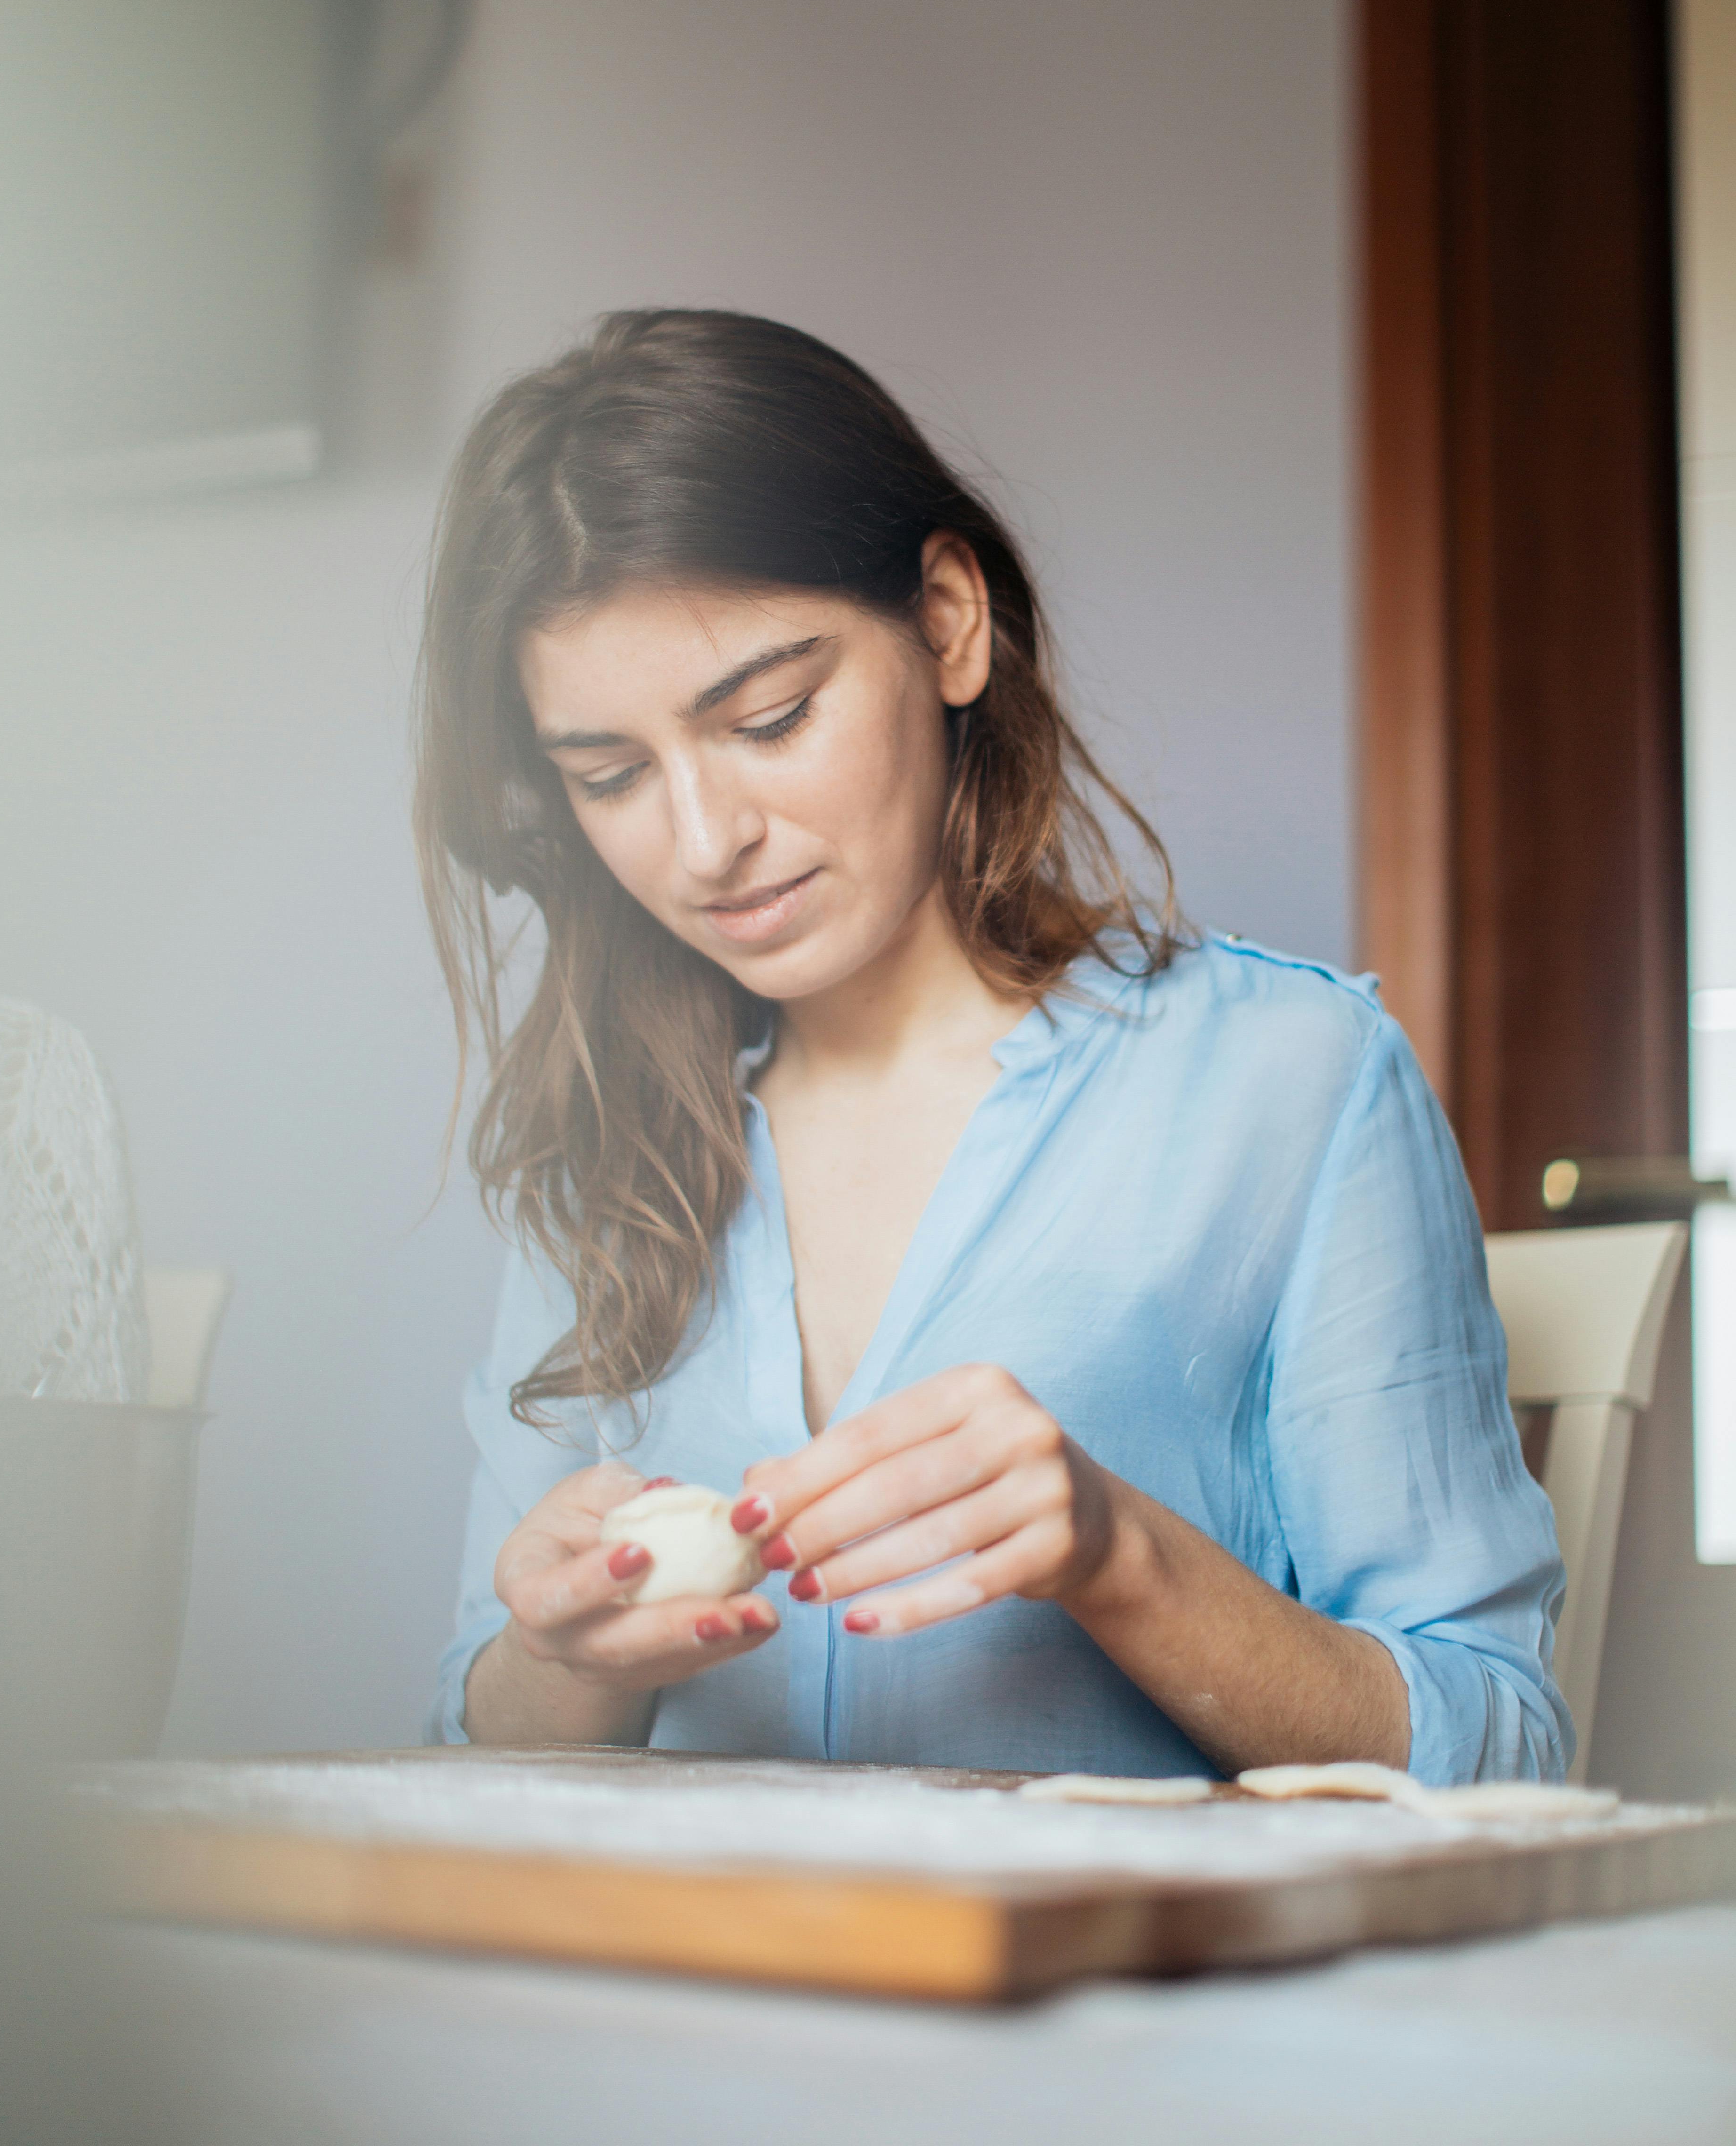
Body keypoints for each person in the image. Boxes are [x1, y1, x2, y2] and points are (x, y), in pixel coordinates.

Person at [418, 309, 1568, 1783]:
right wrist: (556, 1655)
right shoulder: (606, 1154)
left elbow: (1511, 1755)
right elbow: (469, 1734)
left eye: (769, 717)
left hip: (1130, 2004)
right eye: (613, 773)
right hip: (688, 1993)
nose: (707, 843)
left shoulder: (1293, 1084)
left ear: (950, 623)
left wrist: (1120, 1558)